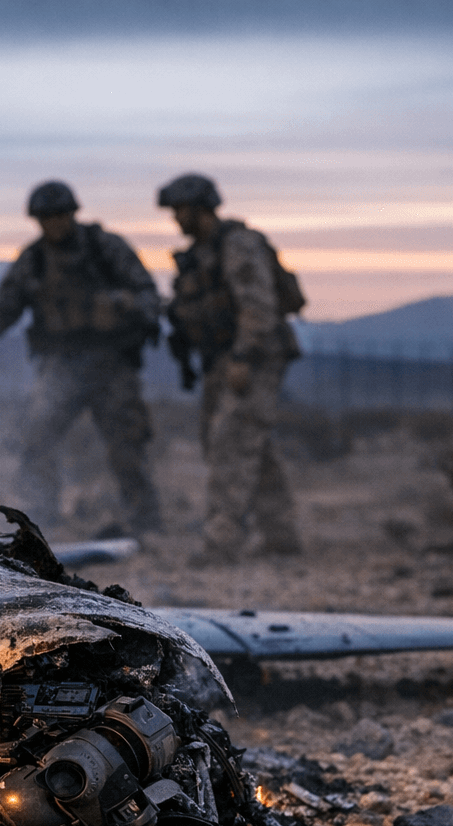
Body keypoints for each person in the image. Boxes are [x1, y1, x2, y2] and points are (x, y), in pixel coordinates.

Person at [0, 180, 163, 533]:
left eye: (58, 215)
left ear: (72, 214)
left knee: (126, 444)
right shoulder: (35, 260)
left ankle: (145, 520)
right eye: (45, 218)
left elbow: (148, 295)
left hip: (112, 364)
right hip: (61, 365)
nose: (53, 224)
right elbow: (2, 305)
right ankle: (41, 516)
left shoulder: (106, 248)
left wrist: (120, 306)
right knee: (37, 436)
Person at [158, 173, 304, 566]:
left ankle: (220, 544)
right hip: (224, 359)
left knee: (231, 444)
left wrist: (244, 357)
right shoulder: (202, 254)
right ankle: (280, 534)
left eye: (180, 210)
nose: (176, 219)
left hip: (251, 356)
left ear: (200, 207)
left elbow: (258, 306)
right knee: (246, 442)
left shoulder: (237, 245)